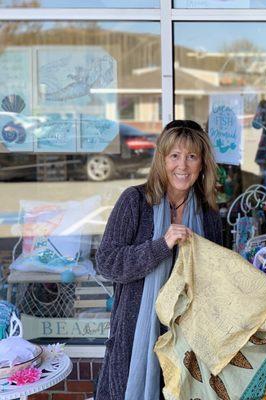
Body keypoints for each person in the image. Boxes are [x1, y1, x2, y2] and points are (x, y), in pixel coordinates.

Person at [95, 120, 223, 400]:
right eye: (174, 156)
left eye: (192, 157)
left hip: (189, 341)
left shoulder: (208, 214)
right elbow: (106, 262)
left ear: (202, 164)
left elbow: (217, 279)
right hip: (137, 337)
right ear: (162, 160)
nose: (183, 165)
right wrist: (161, 245)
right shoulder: (135, 202)